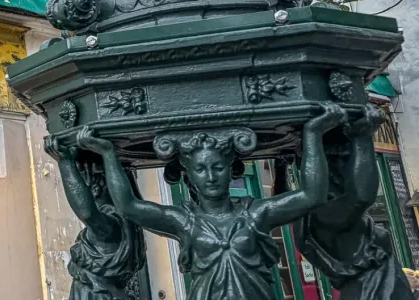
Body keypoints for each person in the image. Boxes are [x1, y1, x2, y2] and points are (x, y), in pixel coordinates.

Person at [77, 106, 345, 300]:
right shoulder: (185, 222)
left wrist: (312, 134)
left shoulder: (255, 214)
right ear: (189, 175)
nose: (211, 177)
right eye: (201, 170)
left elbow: (312, 194)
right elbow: (128, 206)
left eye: (218, 167)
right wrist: (109, 154)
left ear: (230, 168)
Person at [293, 105, 412, 299]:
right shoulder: (322, 210)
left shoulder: (311, 210)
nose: (352, 166)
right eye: (348, 158)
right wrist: (362, 139)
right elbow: (361, 197)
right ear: (330, 167)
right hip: (372, 292)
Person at [46, 136, 146, 300]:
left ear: (94, 189)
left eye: (82, 181)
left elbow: (87, 213)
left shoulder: (113, 227)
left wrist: (65, 163)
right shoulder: (128, 223)